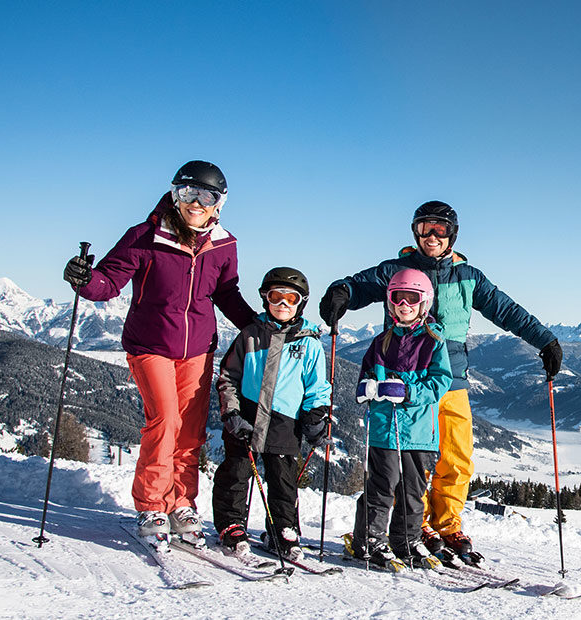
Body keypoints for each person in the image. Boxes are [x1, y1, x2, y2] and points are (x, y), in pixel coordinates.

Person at [320, 200, 561, 562]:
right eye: (424, 228)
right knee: (407, 458)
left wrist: (544, 339)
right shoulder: (397, 270)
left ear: (453, 234)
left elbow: (506, 310)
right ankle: (411, 525)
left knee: (456, 455)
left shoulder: (468, 276)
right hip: (403, 382)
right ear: (414, 232)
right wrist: (341, 293)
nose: (431, 236)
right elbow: (358, 285)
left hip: (451, 377)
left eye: (440, 229)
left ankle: (447, 523)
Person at [62, 160, 254, 543]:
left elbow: (226, 293)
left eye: (206, 196)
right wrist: (85, 281)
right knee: (165, 420)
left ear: (220, 203)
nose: (195, 203)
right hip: (150, 345)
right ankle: (152, 505)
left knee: (190, 431)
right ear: (174, 194)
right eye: (187, 193)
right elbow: (108, 282)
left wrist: (257, 326)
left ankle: (182, 501)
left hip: (197, 348)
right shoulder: (145, 236)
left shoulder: (224, 245)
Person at [213, 267, 333, 561]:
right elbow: (228, 376)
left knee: (283, 480)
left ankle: (283, 528)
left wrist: (315, 418)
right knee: (237, 472)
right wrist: (232, 413)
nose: (282, 304)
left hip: (284, 421)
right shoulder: (250, 335)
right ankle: (232, 524)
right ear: (265, 298)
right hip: (247, 418)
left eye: (290, 298)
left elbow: (317, 386)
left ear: (300, 303)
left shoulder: (309, 343)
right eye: (275, 297)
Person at [347, 268, 452, 571]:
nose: (404, 305)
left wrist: (408, 391)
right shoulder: (381, 342)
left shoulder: (434, 342)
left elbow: (439, 383)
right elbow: (366, 376)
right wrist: (366, 388)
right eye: (398, 298)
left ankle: (405, 540)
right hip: (384, 429)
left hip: (419, 431)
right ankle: (369, 539)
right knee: (381, 487)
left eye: (411, 298)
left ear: (424, 303)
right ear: (390, 302)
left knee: (412, 490)